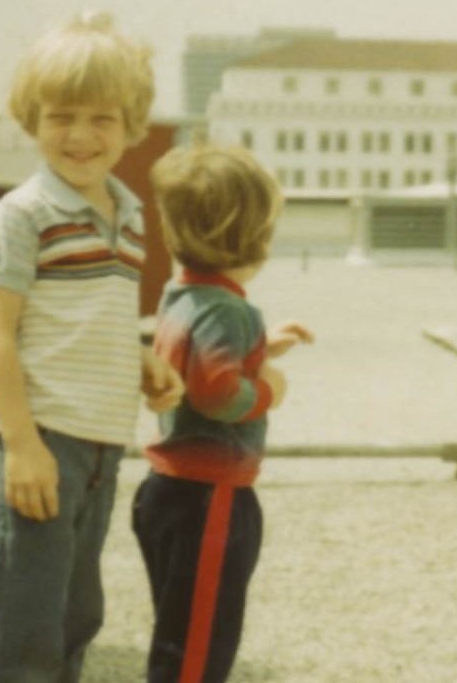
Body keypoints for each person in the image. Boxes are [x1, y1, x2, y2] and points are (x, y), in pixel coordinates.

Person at [0, 10, 185, 682]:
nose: (82, 135)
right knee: (25, 621)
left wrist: (142, 360)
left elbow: (95, 315)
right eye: (62, 116)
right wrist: (23, 443)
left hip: (99, 441)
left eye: (103, 119)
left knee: (76, 612)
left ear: (131, 127)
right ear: (31, 118)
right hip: (42, 439)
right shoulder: (25, 213)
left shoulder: (125, 214)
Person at [135, 144, 313, 683]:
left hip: (169, 491)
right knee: (196, 653)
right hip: (210, 497)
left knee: (181, 632)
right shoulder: (229, 309)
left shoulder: (181, 294)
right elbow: (216, 392)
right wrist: (266, 388)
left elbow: (197, 362)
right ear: (256, 239)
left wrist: (259, 348)